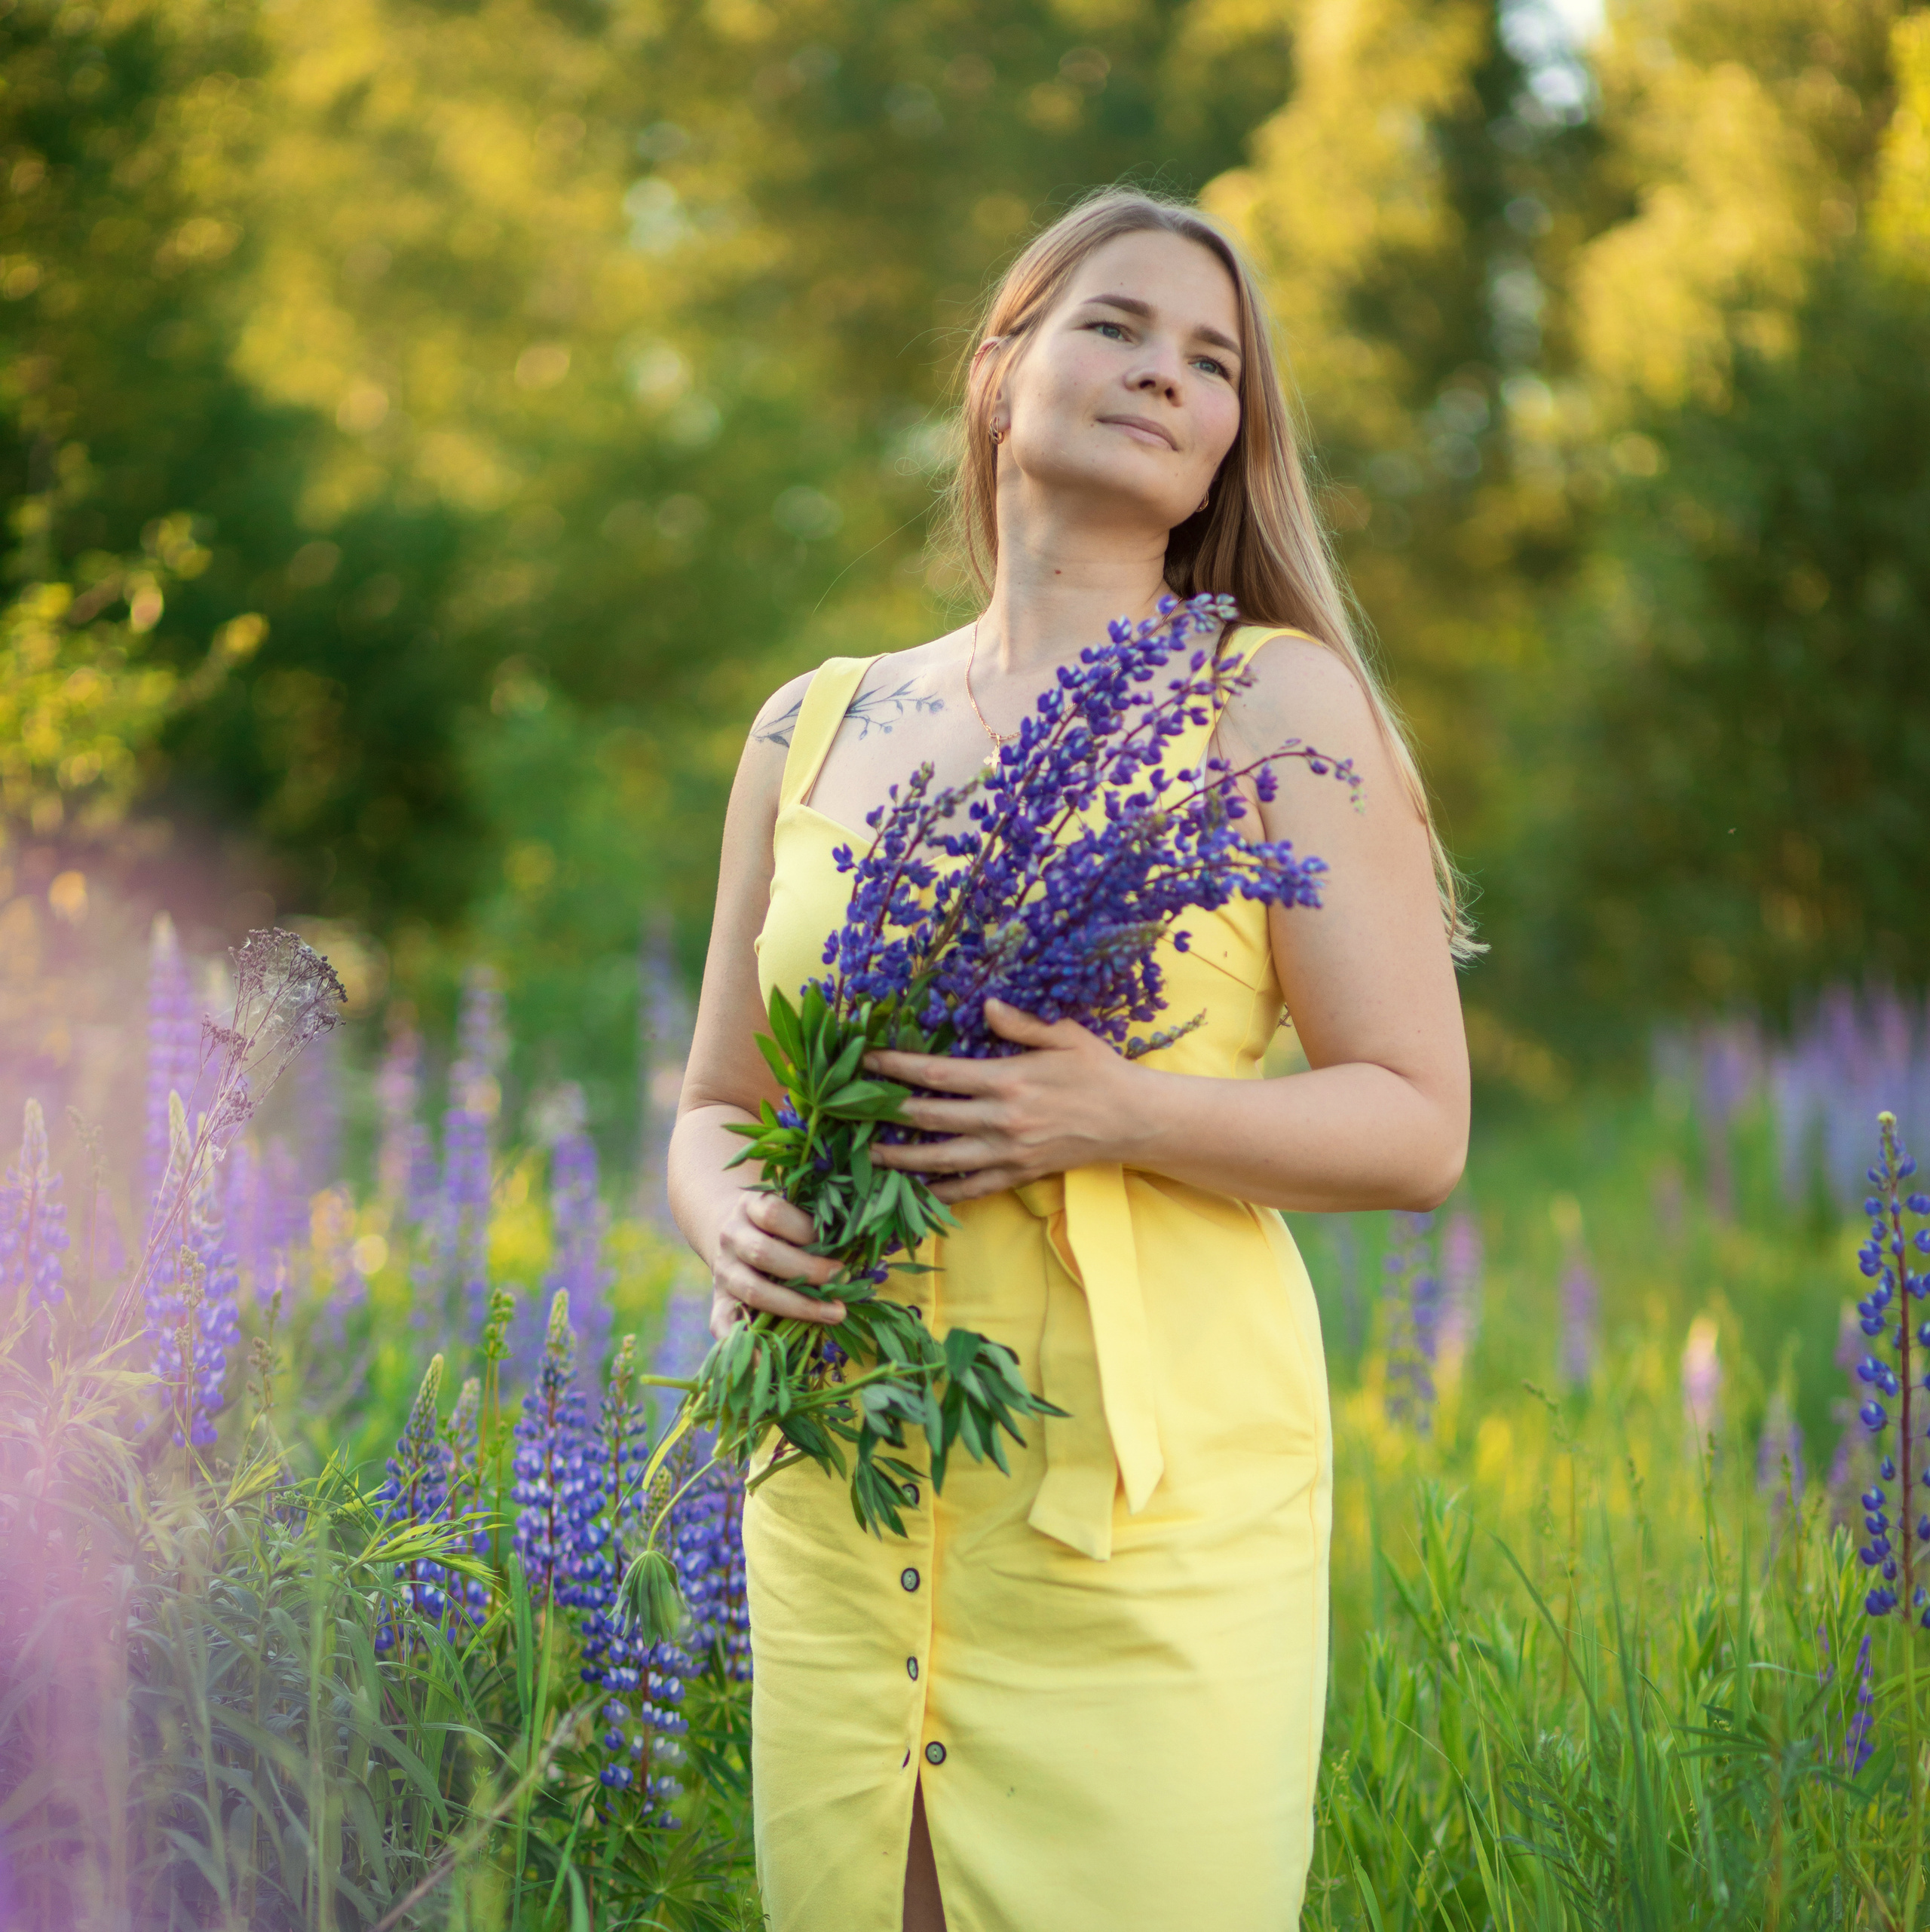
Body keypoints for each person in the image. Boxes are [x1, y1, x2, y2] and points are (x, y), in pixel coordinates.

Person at [669, 188, 1471, 1932]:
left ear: (1229, 442)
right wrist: (727, 1218)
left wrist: (1118, 1111)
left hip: (1138, 1508)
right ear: (996, 371)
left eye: (1211, 361)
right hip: (839, 1466)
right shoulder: (809, 724)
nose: (1163, 373)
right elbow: (721, 1103)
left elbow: (1415, 1126)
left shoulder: (1274, 702)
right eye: (1114, 325)